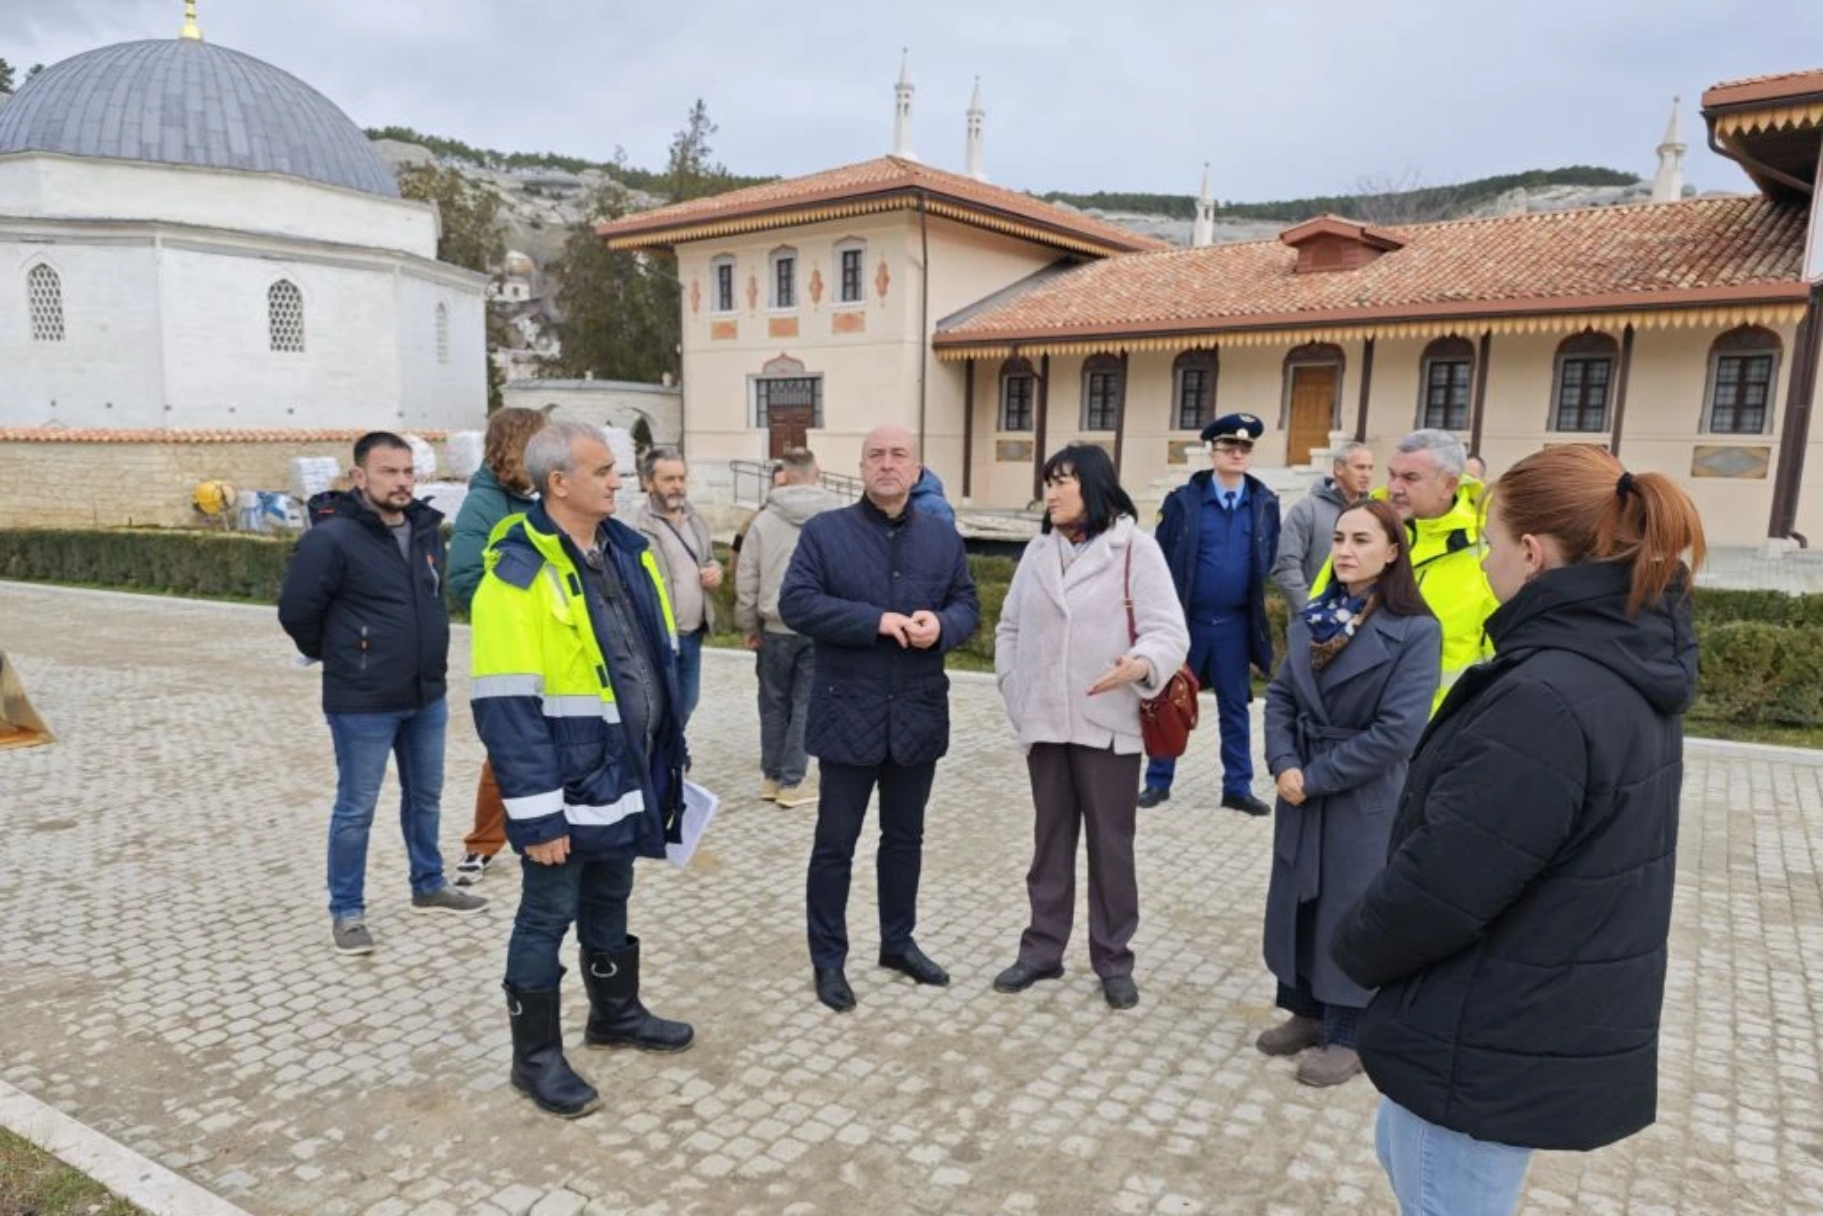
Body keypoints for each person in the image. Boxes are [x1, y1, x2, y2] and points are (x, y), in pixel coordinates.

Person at [1331, 445, 1704, 1215]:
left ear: (1530, 554)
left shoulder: (1545, 694)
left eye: (1491, 542)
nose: (1484, 560)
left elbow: (1445, 883)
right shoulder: (1616, 662)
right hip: (1521, 1010)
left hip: (1484, 1031)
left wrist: (1353, 950)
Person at [468, 419, 695, 1120]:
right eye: (603, 471)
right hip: (564, 788)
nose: (617, 482)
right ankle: (534, 1059)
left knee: (610, 894)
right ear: (559, 482)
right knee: (546, 915)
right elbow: (506, 707)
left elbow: (649, 660)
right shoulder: (516, 574)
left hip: (625, 772)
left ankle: (615, 1014)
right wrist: (537, 817)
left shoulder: (627, 551)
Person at [779, 424, 979, 1013]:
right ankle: (828, 959)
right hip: (848, 713)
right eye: (876, 455)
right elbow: (797, 603)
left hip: (916, 714)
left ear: (916, 469)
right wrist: (876, 622)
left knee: (904, 839)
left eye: (898, 455)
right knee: (834, 845)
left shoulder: (942, 538)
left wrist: (942, 626)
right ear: (862, 467)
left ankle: (898, 942)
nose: (887, 464)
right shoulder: (825, 532)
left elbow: (967, 604)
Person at [991, 445, 1188, 1010]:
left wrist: (1141, 665)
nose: (1051, 494)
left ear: (1094, 487)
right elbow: (1008, 627)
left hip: (1108, 725)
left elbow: (1169, 631)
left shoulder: (1136, 550)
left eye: (1063, 482)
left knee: (1111, 848)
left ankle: (1113, 958)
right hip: (1046, 722)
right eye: (1048, 483)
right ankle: (1041, 950)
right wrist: (1015, 686)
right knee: (1049, 842)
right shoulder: (1038, 552)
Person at [278, 431, 485, 957]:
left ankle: (428, 883)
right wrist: (344, 653)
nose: (401, 482)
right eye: (389, 472)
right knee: (356, 808)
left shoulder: (426, 530)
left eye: (408, 472)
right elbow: (297, 611)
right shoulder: (332, 539)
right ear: (359, 476)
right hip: (362, 701)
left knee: (426, 796)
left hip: (426, 693)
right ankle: (347, 911)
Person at [1259, 500, 1440, 1087]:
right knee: (1300, 899)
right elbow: (1280, 698)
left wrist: (1314, 777)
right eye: (1339, 538)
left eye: (1361, 540)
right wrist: (1284, 762)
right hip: (1301, 784)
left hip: (1360, 794)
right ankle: (1306, 1010)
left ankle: (1350, 1032)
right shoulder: (1315, 617)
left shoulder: (1416, 631)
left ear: (1392, 551)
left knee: (1350, 907)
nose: (1344, 550)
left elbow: (1398, 732)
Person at [1141, 413, 1281, 815]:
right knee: (1169, 700)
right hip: (1188, 623)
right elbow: (1160, 559)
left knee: (1235, 708)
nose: (1237, 453)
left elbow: (1268, 555)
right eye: (1229, 447)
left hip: (1234, 625)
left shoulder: (1264, 503)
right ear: (1212, 451)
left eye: (1245, 447)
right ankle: (1157, 782)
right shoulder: (1184, 502)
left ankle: (1237, 787)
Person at [446, 406, 547, 886]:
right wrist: (515, 612)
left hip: (555, 648)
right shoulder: (483, 505)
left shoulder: (538, 499)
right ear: (517, 447)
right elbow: (465, 578)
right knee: (507, 752)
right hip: (514, 654)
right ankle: (481, 844)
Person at [735, 448, 844, 809]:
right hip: (818, 625)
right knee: (805, 704)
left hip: (774, 626)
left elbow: (747, 575)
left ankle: (771, 777)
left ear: (784, 474)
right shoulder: (837, 519)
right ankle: (793, 782)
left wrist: (747, 623)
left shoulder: (763, 520)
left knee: (772, 703)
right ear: (817, 472)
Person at [628, 445, 721, 728]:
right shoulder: (636, 527)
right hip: (659, 636)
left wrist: (715, 570)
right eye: (669, 479)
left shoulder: (695, 519)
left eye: (681, 478)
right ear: (648, 483)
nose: (678, 486)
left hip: (692, 633)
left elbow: (708, 558)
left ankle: (673, 751)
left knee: (688, 701)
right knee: (660, 706)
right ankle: (663, 753)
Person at [1270, 442, 1375, 611]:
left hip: (1361, 617)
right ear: (1338, 469)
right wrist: (1310, 610)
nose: (1367, 475)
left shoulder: (1373, 512)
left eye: (1370, 468)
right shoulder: (1306, 509)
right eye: (1360, 467)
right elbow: (1285, 565)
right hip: (1313, 619)